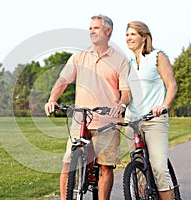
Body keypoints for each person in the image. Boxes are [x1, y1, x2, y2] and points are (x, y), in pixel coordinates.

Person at [45, 15, 131, 200]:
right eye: (90, 28)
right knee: (68, 164)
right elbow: (63, 81)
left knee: (106, 167)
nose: (91, 31)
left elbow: (126, 92)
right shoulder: (80, 56)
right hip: (80, 120)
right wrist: (52, 99)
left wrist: (121, 105)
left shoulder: (120, 60)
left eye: (96, 28)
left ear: (108, 32)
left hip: (108, 121)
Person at [124, 21, 178, 200]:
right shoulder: (128, 62)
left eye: (133, 34)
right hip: (132, 120)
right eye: (127, 35)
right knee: (138, 169)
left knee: (159, 169)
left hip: (154, 120)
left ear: (144, 37)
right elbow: (126, 92)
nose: (128, 38)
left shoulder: (157, 56)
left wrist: (163, 106)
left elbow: (171, 86)